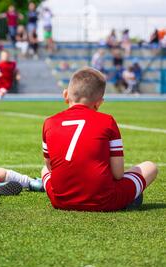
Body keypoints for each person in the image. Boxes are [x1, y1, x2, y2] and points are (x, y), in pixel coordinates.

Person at [41, 67, 157, 211]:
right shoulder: (107, 121)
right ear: (99, 102)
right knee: (150, 167)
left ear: (65, 95)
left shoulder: (49, 122)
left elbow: (50, 167)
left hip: (60, 201)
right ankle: (129, 197)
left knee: (43, 170)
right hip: (104, 201)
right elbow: (118, 174)